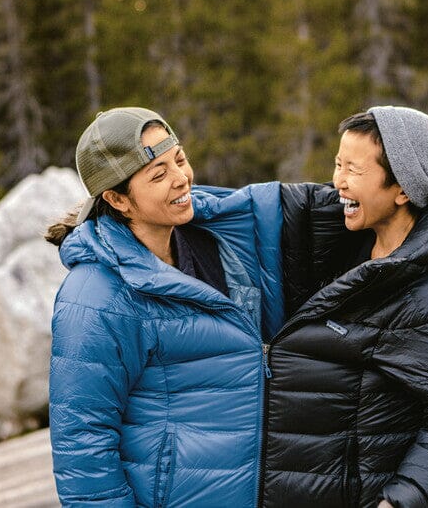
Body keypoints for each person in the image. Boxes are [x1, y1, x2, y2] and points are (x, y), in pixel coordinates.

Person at [262, 107, 428, 507]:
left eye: (353, 171)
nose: (337, 181)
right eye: (338, 164)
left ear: (403, 190)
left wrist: (399, 501)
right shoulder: (356, 244)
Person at [45, 107, 285, 507]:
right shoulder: (94, 297)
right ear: (118, 199)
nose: (181, 178)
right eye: (158, 175)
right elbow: (81, 442)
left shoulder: (213, 245)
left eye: (179, 159)